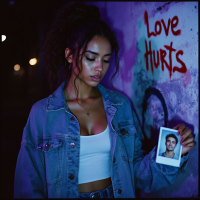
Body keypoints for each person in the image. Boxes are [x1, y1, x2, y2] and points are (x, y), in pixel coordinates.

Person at [14, 2, 195, 198]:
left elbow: (140, 176)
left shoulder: (120, 106)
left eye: (106, 59)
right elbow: (28, 187)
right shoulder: (42, 114)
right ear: (69, 55)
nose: (100, 68)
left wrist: (174, 151)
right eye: (91, 58)